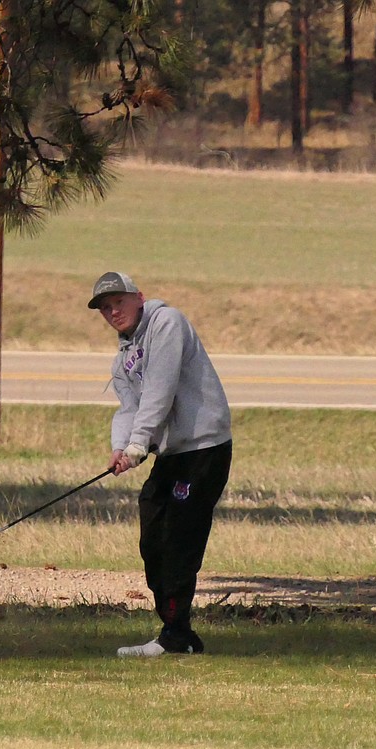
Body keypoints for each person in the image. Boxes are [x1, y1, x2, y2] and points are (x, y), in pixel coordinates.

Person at [87, 271, 232, 658]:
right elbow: (129, 407)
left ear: (139, 296)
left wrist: (138, 444)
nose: (112, 311)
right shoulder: (123, 357)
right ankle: (177, 632)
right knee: (153, 534)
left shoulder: (167, 323)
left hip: (203, 448)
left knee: (179, 538)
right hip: (171, 455)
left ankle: (175, 636)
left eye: (118, 301)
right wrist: (121, 447)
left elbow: (160, 389)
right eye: (105, 307)